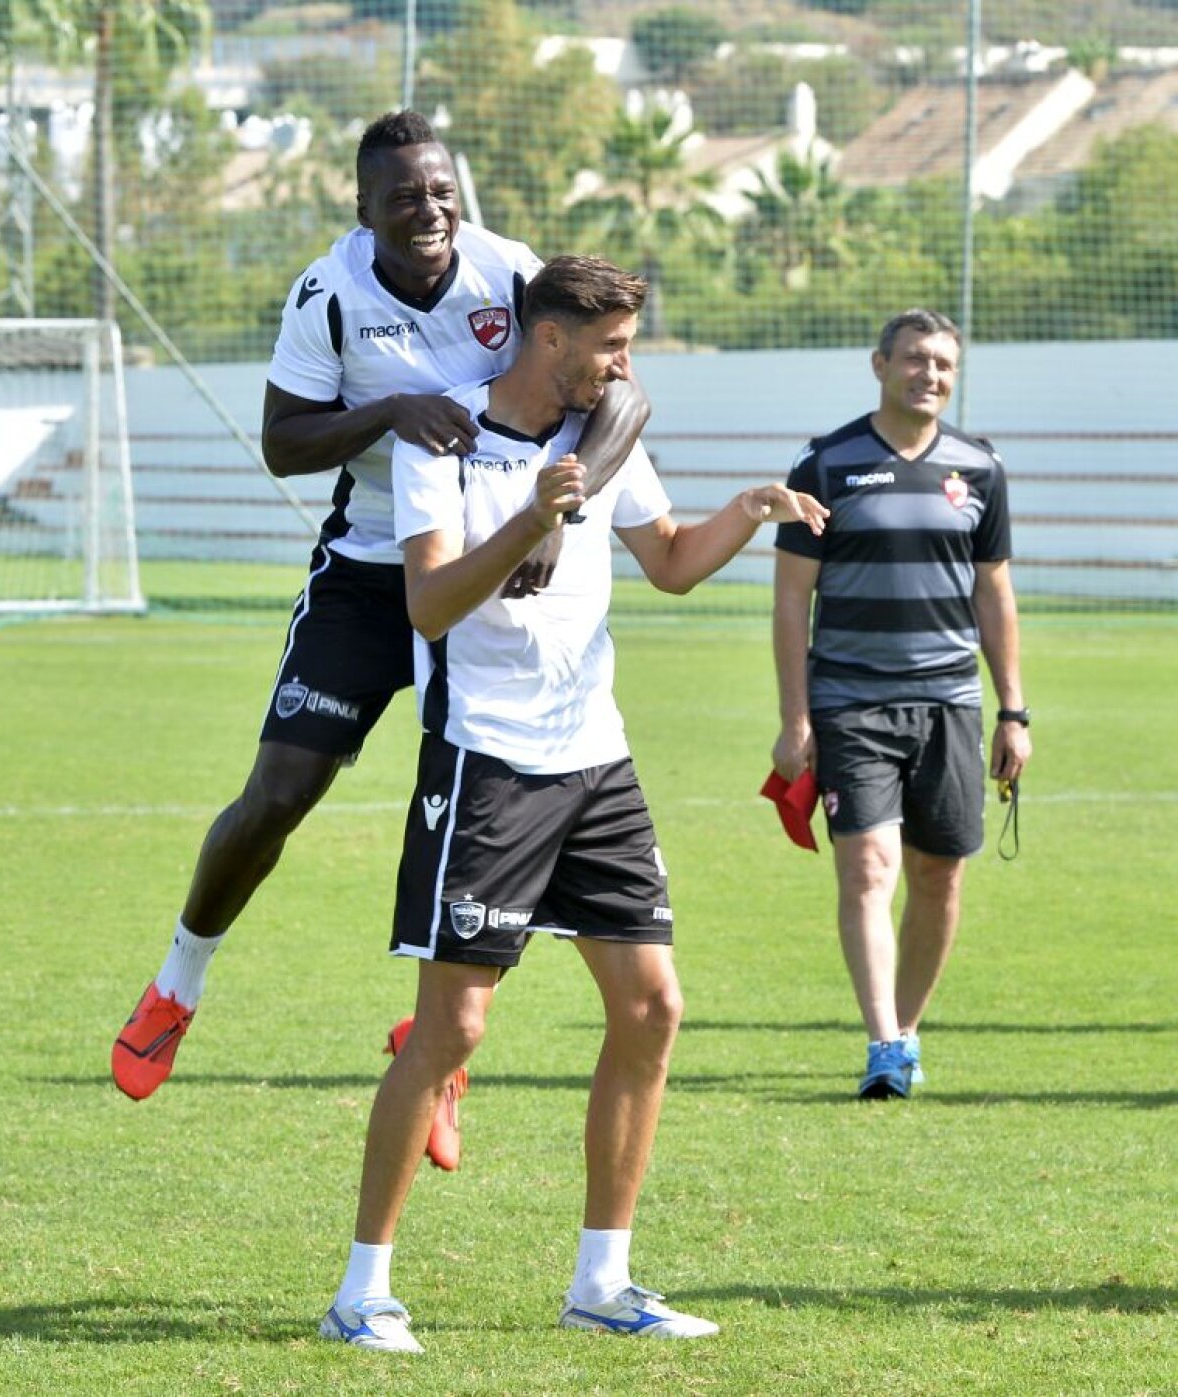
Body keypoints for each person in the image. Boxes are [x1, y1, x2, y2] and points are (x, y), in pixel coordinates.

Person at [110, 111, 649, 1168]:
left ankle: (441, 1046)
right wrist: (391, 409)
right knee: (276, 794)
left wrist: (565, 514)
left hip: (491, 571)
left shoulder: (510, 271)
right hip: (369, 571)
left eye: (443, 189)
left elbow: (621, 389)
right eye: (405, 195)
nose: (430, 209)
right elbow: (281, 442)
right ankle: (179, 980)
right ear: (363, 210)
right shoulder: (329, 295)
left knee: (510, 810)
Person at [317, 255, 828, 1354]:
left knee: (652, 1008)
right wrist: (533, 519)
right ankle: (362, 1290)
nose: (624, 364)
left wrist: (749, 508)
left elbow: (675, 564)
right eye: (610, 347)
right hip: (485, 761)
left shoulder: (612, 436)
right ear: (548, 339)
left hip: (597, 759)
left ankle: (603, 1279)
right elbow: (432, 604)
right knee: (452, 1024)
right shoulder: (441, 436)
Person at [771, 307, 1032, 1100]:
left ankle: (907, 1030)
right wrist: (796, 718)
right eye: (915, 359)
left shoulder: (980, 468)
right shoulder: (826, 465)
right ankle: (884, 1041)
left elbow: (996, 594)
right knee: (869, 867)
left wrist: (1013, 709)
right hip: (851, 701)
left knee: (940, 874)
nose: (930, 375)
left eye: (944, 364)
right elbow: (790, 603)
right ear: (879, 364)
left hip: (951, 702)